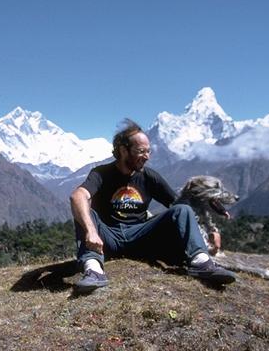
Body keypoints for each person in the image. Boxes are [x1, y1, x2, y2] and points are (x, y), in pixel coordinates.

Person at [70, 120, 236, 291]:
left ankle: (201, 263)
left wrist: (210, 232)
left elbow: (180, 208)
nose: (147, 156)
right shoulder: (101, 174)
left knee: (182, 210)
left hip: (141, 238)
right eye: (141, 151)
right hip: (107, 239)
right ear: (123, 150)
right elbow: (78, 195)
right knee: (84, 210)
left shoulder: (150, 177)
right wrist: (91, 230)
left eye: (148, 151)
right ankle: (94, 270)